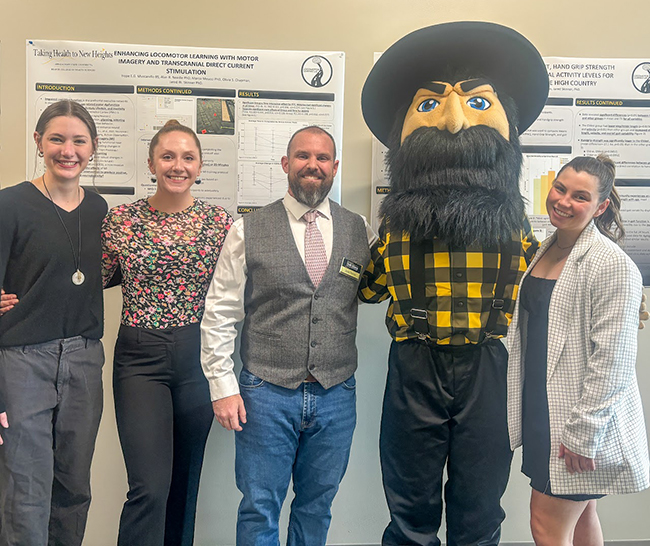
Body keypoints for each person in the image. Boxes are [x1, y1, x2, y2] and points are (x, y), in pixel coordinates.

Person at [358, 22, 548, 546]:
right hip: (414, 363)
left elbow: (547, 287)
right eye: (431, 106)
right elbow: (366, 287)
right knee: (409, 500)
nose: (455, 123)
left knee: (481, 500)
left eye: (478, 104)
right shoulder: (395, 225)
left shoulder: (515, 225)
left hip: (488, 364)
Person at [200, 126, 374, 546]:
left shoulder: (359, 229)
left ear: (334, 168)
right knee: (260, 505)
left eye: (321, 158)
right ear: (286, 164)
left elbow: (375, 287)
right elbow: (220, 312)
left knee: (317, 504)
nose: (312, 165)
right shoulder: (248, 229)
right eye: (302, 156)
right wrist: (222, 387)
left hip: (336, 393)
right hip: (265, 391)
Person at [101, 119, 233, 546]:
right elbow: (81, 281)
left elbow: (238, 291)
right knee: (150, 487)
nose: (178, 165)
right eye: (168, 156)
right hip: (139, 359)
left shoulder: (218, 223)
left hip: (197, 357)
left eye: (188, 157)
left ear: (199, 166)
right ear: (152, 164)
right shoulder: (121, 220)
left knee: (184, 485)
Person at [507, 155, 649, 546]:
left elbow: (614, 363)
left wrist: (584, 434)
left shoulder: (611, 265)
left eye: (580, 196)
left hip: (576, 423)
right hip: (544, 411)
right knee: (583, 517)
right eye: (560, 189)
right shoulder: (547, 248)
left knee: (546, 525)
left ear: (601, 206)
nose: (564, 201)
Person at [0, 100, 106, 546]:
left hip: (83, 359)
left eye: (79, 141)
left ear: (93, 147)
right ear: (39, 142)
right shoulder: (10, 204)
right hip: (23, 361)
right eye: (58, 139)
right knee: (26, 488)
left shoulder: (100, 210)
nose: (68, 150)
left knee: (74, 486)